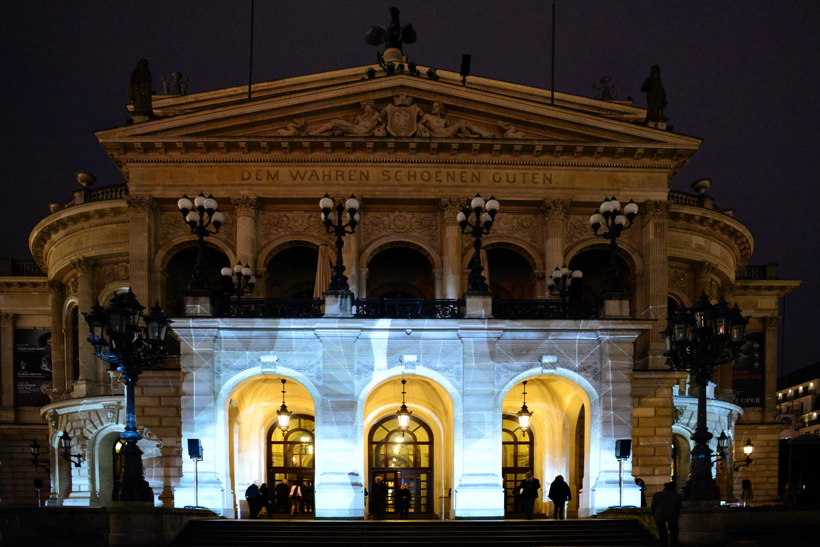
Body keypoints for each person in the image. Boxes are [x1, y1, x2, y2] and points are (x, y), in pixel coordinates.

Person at [651, 482, 682, 546]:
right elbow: (679, 507)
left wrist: (652, 514)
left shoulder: (657, 495)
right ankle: (672, 542)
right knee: (673, 529)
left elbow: (653, 506)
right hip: (672, 515)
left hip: (659, 514)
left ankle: (663, 543)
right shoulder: (678, 496)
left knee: (662, 530)